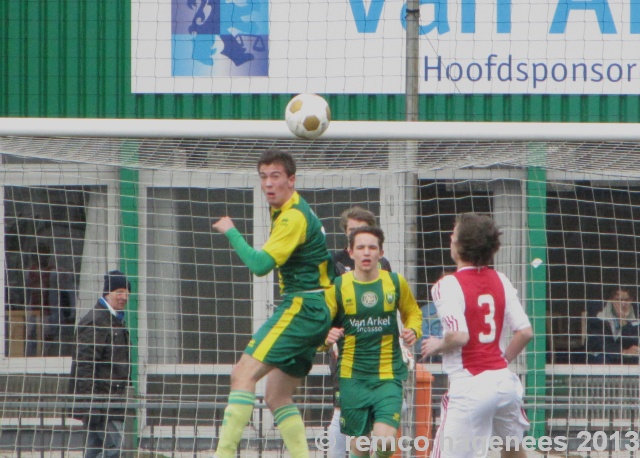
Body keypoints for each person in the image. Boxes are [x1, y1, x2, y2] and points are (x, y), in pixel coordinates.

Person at [211, 149, 334, 458]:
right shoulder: (293, 207)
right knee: (278, 395)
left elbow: (260, 265)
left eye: (276, 176)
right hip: (316, 309)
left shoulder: (292, 217)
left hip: (302, 306)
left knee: (242, 374)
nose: (268, 184)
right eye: (263, 177)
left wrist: (232, 232)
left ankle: (222, 454)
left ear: (291, 180)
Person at [421, 213, 533, 458]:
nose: (450, 237)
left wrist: (436, 344)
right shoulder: (501, 280)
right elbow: (525, 332)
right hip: (505, 382)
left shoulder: (447, 284)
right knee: (513, 451)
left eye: (454, 233)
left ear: (461, 244)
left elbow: (459, 336)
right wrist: (500, 362)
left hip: (470, 385)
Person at [324, 226, 422, 458]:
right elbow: (320, 326)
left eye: (372, 247)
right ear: (350, 252)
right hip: (352, 377)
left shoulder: (395, 282)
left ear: (381, 252)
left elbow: (413, 312)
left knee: (385, 442)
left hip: (388, 376)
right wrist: (325, 338)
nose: (366, 252)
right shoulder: (337, 287)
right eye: (360, 247)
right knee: (360, 445)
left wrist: (413, 329)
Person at [328, 206, 393, 457]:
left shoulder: (383, 264)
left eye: (363, 230)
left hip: (379, 344)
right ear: (346, 234)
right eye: (353, 230)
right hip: (346, 344)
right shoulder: (334, 263)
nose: (358, 236)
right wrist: (330, 335)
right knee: (343, 406)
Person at [69, 270, 132, 458]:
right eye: (119, 291)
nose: (124, 297)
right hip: (102, 402)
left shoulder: (113, 320)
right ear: (107, 292)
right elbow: (84, 365)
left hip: (110, 400)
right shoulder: (96, 321)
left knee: (95, 450)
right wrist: (91, 404)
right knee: (116, 448)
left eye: (127, 292)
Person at [586, 287, 640, 364]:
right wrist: (622, 351)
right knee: (601, 359)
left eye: (627, 300)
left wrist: (624, 323)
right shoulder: (599, 313)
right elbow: (596, 343)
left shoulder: (637, 313)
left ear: (631, 300)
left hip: (629, 357)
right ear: (611, 300)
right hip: (606, 355)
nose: (623, 304)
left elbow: (635, 341)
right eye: (618, 300)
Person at [333, 206, 391, 275]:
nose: (357, 234)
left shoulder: (382, 262)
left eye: (362, 229)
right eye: (352, 230)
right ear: (345, 231)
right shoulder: (335, 261)